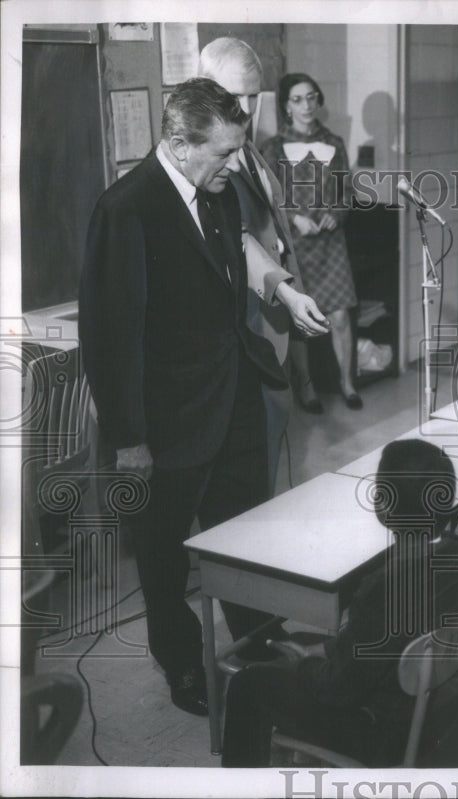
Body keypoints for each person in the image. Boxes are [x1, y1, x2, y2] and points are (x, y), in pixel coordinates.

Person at [79, 78, 288, 715]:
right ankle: (183, 667)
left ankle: (256, 644)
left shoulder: (218, 191)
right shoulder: (128, 207)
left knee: (246, 537)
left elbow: (234, 275)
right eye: (223, 153)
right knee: (166, 557)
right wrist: (130, 439)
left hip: (234, 399)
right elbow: (111, 337)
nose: (234, 165)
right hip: (164, 425)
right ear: (177, 143)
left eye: (236, 150)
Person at [221, 440, 458, 767]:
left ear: (384, 505)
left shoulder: (384, 588)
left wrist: (305, 665)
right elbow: (386, 639)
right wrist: (331, 651)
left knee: (248, 683)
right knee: (302, 642)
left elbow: (338, 690)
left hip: (382, 731)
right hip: (440, 712)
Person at [198, 37, 330, 491]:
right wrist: (286, 291)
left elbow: (272, 229)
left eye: (254, 95)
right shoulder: (207, 160)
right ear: (202, 88)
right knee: (243, 470)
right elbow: (236, 239)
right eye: (234, 95)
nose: (246, 106)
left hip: (271, 323)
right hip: (246, 327)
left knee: (267, 452)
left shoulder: (249, 150)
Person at [261, 72, 363, 410]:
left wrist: (337, 212)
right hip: (296, 245)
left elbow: (346, 192)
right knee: (302, 321)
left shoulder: (333, 142)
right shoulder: (272, 148)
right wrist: (294, 218)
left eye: (311, 97)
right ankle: (306, 389)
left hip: (331, 244)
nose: (306, 105)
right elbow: (269, 198)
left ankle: (348, 384)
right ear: (286, 107)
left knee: (341, 317)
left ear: (319, 101)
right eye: (297, 99)